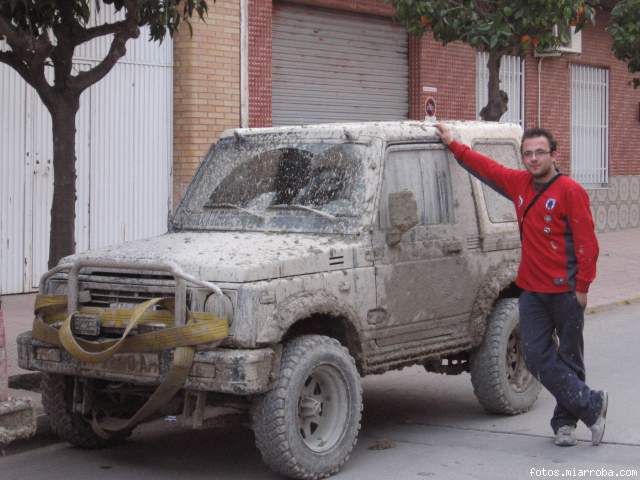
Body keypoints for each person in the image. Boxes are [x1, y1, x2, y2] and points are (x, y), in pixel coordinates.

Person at [434, 123, 608, 447]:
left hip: (566, 292)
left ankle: (564, 424)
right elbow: (486, 168)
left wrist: (582, 287)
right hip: (531, 291)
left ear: (553, 154)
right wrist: (454, 145)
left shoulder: (570, 191)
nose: (532, 158)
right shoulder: (518, 184)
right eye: (527, 153)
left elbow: (588, 244)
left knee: (569, 358)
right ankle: (592, 404)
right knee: (536, 355)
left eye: (539, 152)